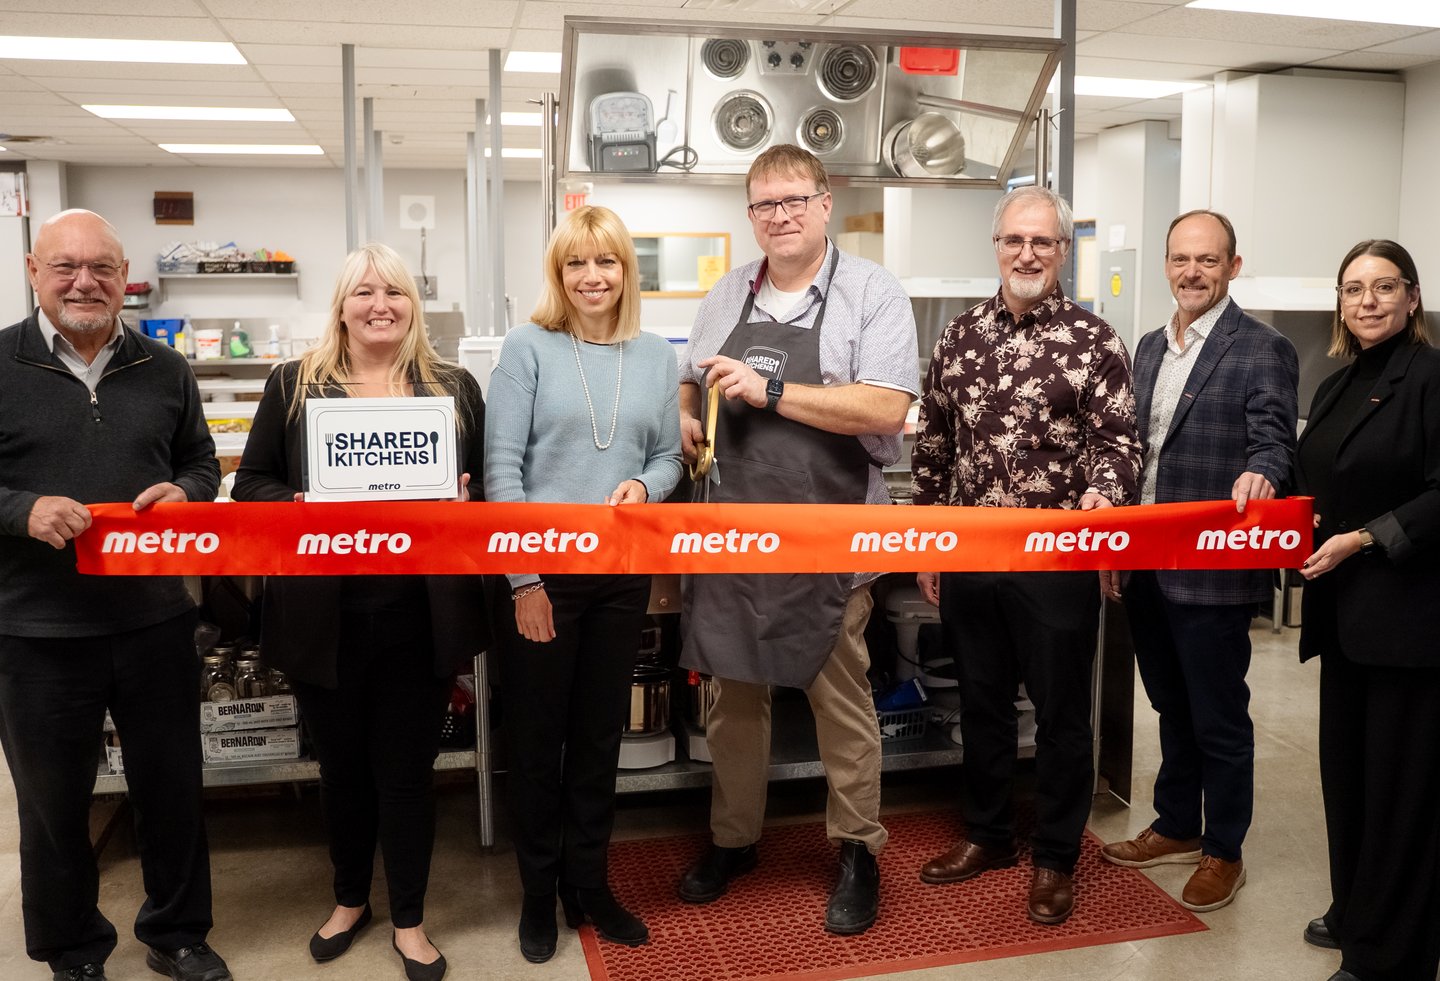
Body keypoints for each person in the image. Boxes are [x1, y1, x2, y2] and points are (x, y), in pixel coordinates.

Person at [675, 144, 919, 936]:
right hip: (734, 540)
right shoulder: (725, 295)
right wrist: (686, 409)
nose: (778, 216)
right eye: (763, 205)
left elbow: (885, 408)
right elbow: (691, 374)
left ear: (825, 203)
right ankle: (733, 839)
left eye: (793, 200)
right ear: (751, 216)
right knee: (731, 703)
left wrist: (772, 389)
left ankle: (857, 850)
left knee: (840, 702)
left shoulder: (870, 293)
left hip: (831, 536)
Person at [232, 243, 487, 981]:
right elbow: (251, 486)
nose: (381, 305)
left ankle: (409, 917)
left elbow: (486, 494)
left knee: (409, 772)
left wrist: (465, 507)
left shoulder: (455, 388)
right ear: (340, 306)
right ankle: (350, 899)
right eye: (363, 292)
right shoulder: (294, 385)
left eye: (395, 293)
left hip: (419, 612)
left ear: (415, 305)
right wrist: (302, 506)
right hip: (326, 615)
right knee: (340, 768)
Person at [0, 209, 228, 981]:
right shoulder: (0, 362)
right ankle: (73, 949)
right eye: (66, 267)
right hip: (34, 629)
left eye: (101, 267)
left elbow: (202, 460)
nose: (84, 281)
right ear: (35, 271)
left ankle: (177, 933)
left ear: (122, 274)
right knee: (53, 806)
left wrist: (189, 491)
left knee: (171, 789)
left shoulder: (165, 369)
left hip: (154, 620)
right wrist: (19, 509)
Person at [910, 185, 1140, 926]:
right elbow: (936, 449)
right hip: (974, 556)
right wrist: (929, 540)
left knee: (1063, 716)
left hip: (1057, 563)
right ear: (997, 246)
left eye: (1043, 242)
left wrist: (1105, 503)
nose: (1028, 253)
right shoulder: (958, 336)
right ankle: (987, 834)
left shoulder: (1096, 339)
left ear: (1064, 251)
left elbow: (1119, 445)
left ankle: (1055, 856)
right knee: (981, 704)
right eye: (1015, 240)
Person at [485, 205, 682, 963]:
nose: (592, 277)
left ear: (627, 271)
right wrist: (524, 578)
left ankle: (588, 884)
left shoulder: (657, 357)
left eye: (606, 262)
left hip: (617, 578)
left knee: (600, 740)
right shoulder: (528, 347)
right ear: (558, 274)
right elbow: (503, 471)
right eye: (576, 263)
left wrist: (643, 482)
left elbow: (668, 456)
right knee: (538, 744)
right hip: (542, 579)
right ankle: (539, 894)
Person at [1098, 210, 1298, 913]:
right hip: (1146, 559)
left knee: (1218, 713)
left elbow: (1273, 439)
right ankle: (1179, 824)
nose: (1192, 271)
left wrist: (1264, 474)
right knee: (1169, 705)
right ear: (1165, 264)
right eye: (1181, 258)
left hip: (1212, 567)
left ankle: (1225, 848)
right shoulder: (1149, 346)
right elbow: (1132, 452)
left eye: (1207, 260)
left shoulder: (1260, 347)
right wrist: (1115, 543)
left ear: (1232, 267)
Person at [1295, 239, 1440, 981]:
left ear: (1413, 298)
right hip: (1343, 618)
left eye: (1386, 287)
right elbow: (1310, 482)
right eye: (1354, 289)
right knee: (1347, 777)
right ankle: (1356, 908)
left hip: (1410, 621)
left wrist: (1364, 538)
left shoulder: (1433, 379)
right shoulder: (1335, 384)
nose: (1369, 301)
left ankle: (1392, 954)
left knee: (1399, 789)